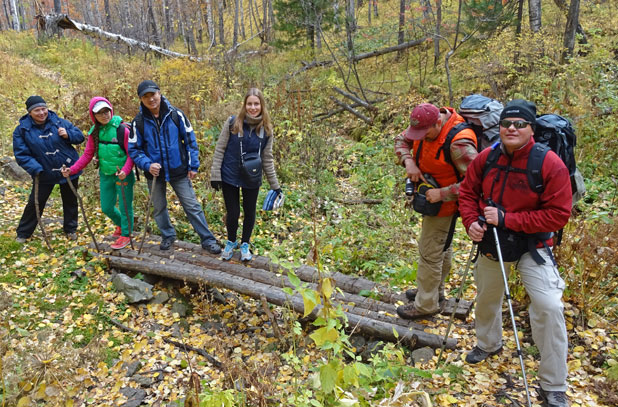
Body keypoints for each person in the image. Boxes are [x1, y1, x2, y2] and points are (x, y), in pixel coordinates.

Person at [458, 100, 572, 407]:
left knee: (549, 307)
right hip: (492, 242)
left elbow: (559, 215)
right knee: (486, 298)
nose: (512, 128)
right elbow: (468, 192)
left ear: (531, 129)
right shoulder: (488, 157)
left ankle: (553, 385)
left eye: (520, 124)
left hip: (533, 247)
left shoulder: (549, 164)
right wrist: (471, 222)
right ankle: (488, 343)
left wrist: (509, 220)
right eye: (507, 123)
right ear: (500, 126)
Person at [394, 103, 478, 319]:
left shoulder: (459, 144)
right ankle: (434, 292)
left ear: (438, 122)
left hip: (446, 204)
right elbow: (402, 139)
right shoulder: (424, 123)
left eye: (424, 134)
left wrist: (442, 193)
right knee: (441, 247)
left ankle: (426, 305)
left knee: (429, 253)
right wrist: (409, 162)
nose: (419, 138)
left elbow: (478, 182)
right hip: (433, 201)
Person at [128, 80, 221, 253]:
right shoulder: (138, 122)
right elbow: (134, 150)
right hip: (155, 175)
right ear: (141, 99)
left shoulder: (176, 115)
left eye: (153, 94)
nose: (151, 99)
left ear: (159, 93)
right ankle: (168, 236)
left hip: (179, 169)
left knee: (192, 205)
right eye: (145, 96)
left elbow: (190, 141)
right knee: (159, 207)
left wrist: (193, 165)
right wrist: (147, 165)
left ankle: (208, 240)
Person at [210, 88, 281, 262]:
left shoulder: (267, 130)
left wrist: (275, 186)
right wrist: (215, 175)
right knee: (233, 213)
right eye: (249, 104)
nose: (253, 107)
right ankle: (231, 241)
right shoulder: (232, 123)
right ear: (245, 105)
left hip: (252, 176)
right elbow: (220, 149)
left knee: (250, 212)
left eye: (256, 104)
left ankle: (245, 244)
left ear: (261, 106)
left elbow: (267, 159)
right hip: (230, 174)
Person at [61, 97, 135, 250]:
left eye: (106, 111)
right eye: (99, 113)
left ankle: (126, 235)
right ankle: (122, 225)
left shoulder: (123, 130)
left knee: (125, 206)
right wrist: (72, 169)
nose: (104, 115)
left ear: (111, 110)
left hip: (123, 175)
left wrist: (125, 171)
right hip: (105, 174)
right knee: (106, 207)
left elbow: (132, 154)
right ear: (93, 115)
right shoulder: (95, 132)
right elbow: (87, 155)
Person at [13, 96, 84, 243]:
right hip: (43, 172)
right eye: (37, 110)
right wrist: (36, 169)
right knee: (35, 201)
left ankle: (70, 229)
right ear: (29, 112)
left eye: (43, 109)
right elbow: (21, 154)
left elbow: (79, 137)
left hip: (68, 168)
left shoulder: (59, 122)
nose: (41, 113)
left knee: (70, 200)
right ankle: (24, 233)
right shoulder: (22, 130)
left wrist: (68, 135)